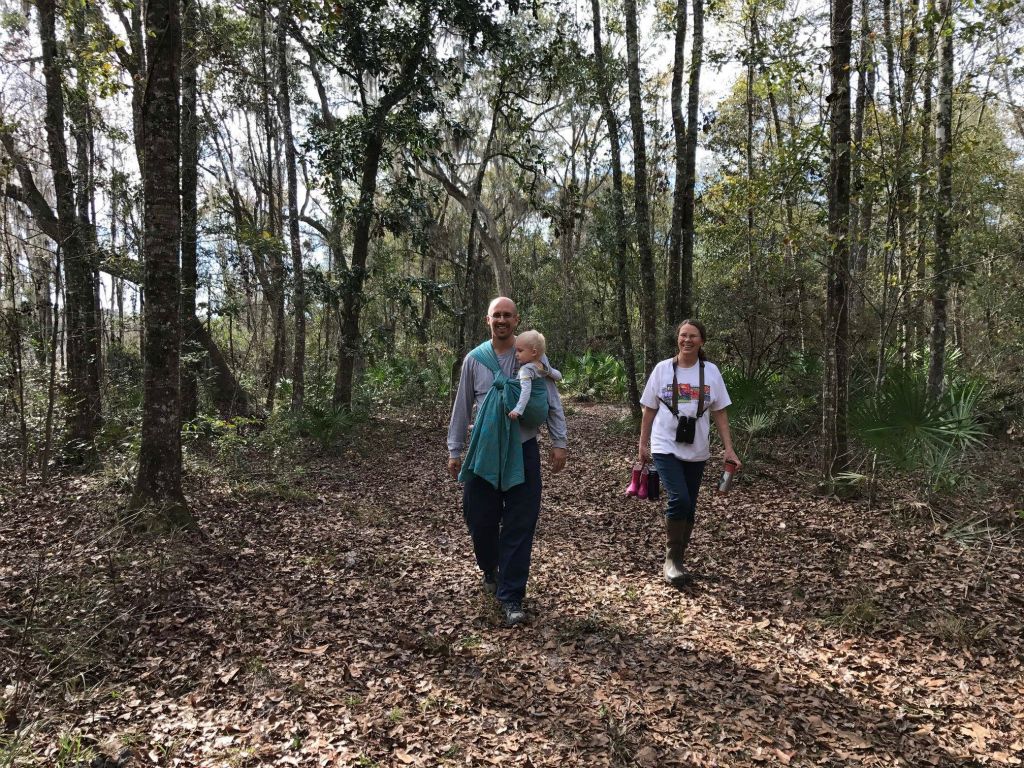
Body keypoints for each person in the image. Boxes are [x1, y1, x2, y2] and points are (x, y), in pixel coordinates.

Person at [447, 297, 568, 626]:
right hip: (484, 451)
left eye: (507, 315)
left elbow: (551, 400)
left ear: (516, 320)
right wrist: (454, 449)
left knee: (520, 522)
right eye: (496, 315)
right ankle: (491, 567)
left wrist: (559, 441)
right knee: (479, 517)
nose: (501, 320)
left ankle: (512, 595)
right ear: (488, 320)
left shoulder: (532, 355)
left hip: (523, 447)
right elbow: (462, 405)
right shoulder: (475, 359)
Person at [638, 319, 741, 585]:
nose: (687, 340)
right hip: (665, 445)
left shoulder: (711, 372)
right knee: (680, 499)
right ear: (677, 339)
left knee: (691, 506)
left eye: (693, 336)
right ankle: (671, 560)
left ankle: (680, 560)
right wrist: (643, 443)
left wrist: (728, 448)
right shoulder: (662, 369)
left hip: (697, 448)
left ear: (701, 341)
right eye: (683, 335)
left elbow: (719, 411)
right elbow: (649, 408)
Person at [508, 330, 562, 421]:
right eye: (515, 350)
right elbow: (558, 376)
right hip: (543, 408)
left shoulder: (526, 370)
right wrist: (549, 371)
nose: (516, 354)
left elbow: (526, 390)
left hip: (530, 410)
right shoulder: (542, 365)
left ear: (534, 352)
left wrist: (518, 410)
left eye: (520, 351)